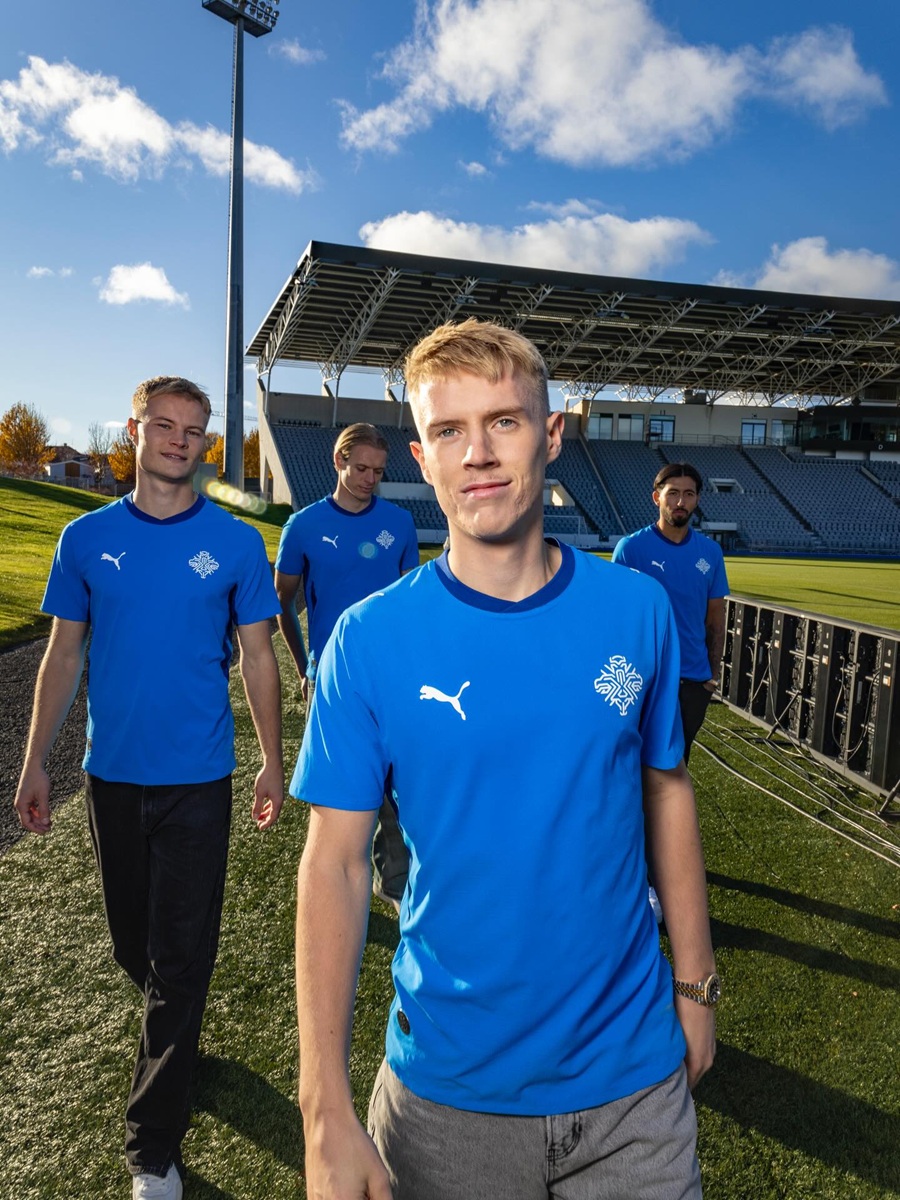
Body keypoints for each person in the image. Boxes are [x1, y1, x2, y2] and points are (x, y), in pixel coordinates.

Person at [293, 320, 718, 1200]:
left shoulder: (635, 609)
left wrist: (696, 984)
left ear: (551, 435)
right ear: (423, 457)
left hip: (634, 1087)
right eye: (450, 430)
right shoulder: (369, 641)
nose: (478, 453)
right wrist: (323, 1102)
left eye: (504, 422)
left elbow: (667, 788)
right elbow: (334, 864)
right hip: (446, 1102)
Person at [14, 376, 284, 1200]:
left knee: (181, 958)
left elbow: (259, 656)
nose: (178, 440)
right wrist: (34, 759)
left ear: (205, 444)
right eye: (163, 425)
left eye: (194, 430)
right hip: (110, 777)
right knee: (134, 948)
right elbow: (64, 653)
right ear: (135, 431)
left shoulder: (236, 544)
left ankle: (152, 1150)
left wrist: (272, 759)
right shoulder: (85, 538)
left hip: (199, 779)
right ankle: (180, 1035)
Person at [274, 422, 418, 908]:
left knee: (399, 790)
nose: (369, 479)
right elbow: (282, 602)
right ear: (338, 461)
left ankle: (393, 883)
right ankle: (339, 885)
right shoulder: (303, 526)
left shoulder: (399, 523)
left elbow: (409, 605)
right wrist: (304, 667)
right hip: (331, 680)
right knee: (343, 797)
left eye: (378, 471)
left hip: (392, 679)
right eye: (360, 468)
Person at [612, 461, 729, 765]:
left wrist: (712, 677)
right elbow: (616, 620)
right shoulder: (631, 549)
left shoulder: (710, 554)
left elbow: (715, 619)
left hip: (693, 682)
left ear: (697, 499)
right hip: (645, 678)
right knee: (635, 764)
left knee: (677, 764)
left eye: (688, 494)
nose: (680, 502)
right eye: (673, 493)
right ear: (657, 497)